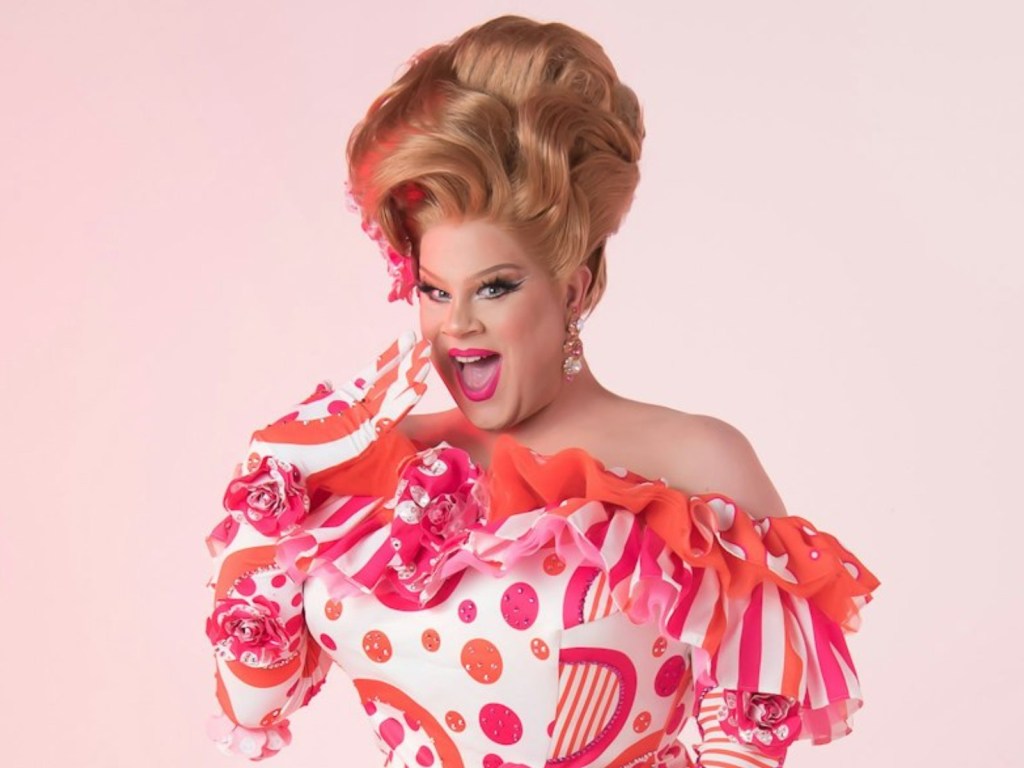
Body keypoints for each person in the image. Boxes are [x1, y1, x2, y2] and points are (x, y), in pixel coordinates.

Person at [203, 15, 879, 767]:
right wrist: (282, 468)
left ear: (572, 290)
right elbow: (254, 704)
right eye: (435, 290)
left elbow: (750, 733)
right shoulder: (373, 465)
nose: (457, 323)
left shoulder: (696, 461)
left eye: (495, 287)